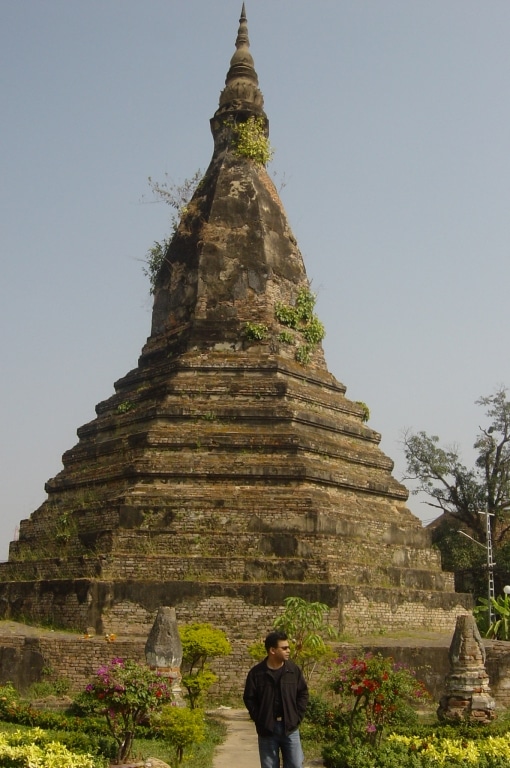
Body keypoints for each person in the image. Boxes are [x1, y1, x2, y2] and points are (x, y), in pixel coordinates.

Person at [243, 630, 309, 768]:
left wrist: (297, 716)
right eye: (284, 648)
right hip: (267, 730)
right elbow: (249, 698)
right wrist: (260, 718)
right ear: (272, 650)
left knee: (296, 765)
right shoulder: (257, 673)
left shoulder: (293, 670)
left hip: (290, 728)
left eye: (288, 647)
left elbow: (303, 693)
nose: (288, 651)